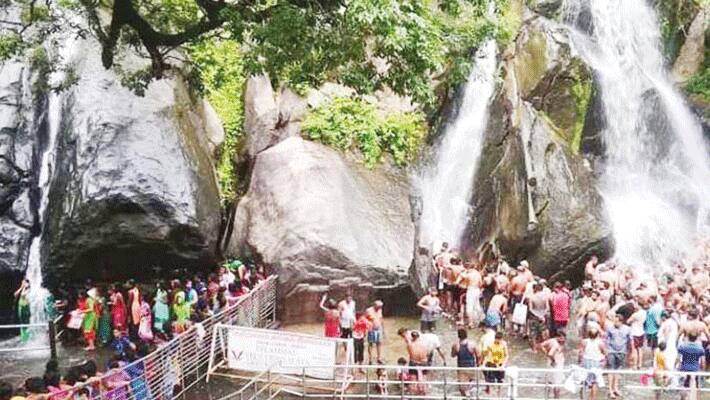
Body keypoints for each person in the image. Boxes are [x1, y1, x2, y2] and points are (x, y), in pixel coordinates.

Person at [606, 314, 631, 398]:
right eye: (614, 321)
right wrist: (606, 351)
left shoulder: (627, 329)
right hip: (611, 351)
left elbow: (630, 341)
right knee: (611, 370)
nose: (614, 323)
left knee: (618, 370)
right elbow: (607, 339)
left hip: (622, 352)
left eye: (616, 321)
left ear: (621, 322)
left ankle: (615, 388)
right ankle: (610, 389)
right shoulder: (610, 328)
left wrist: (631, 352)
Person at [578, 327, 606, 400]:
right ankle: (593, 398)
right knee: (594, 382)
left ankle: (582, 397)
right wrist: (604, 362)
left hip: (586, 362)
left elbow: (581, 353)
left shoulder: (584, 342)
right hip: (596, 363)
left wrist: (580, 362)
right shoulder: (600, 343)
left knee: (584, 379)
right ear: (597, 335)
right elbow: (605, 353)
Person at [677, 334, 705, 399]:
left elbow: (678, 358)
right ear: (696, 338)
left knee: (683, 385)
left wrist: (677, 365)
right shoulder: (700, 348)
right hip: (695, 369)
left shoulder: (682, 346)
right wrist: (702, 370)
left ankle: (683, 398)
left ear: (688, 338)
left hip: (684, 368)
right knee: (694, 385)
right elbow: (703, 361)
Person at [538, 332, 566, 399]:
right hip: (556, 365)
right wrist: (553, 360)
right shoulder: (556, 344)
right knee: (557, 384)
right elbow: (550, 354)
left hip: (549, 364)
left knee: (549, 382)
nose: (563, 340)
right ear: (558, 337)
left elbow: (541, 345)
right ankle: (556, 398)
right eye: (562, 338)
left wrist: (545, 352)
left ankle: (547, 397)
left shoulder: (551, 340)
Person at [451, 328, 477, 397]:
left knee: (463, 389)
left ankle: (466, 396)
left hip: (461, 369)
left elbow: (452, 355)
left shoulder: (456, 345)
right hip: (471, 368)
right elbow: (479, 355)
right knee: (469, 386)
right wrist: (478, 364)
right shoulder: (472, 344)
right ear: (466, 335)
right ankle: (469, 396)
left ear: (458, 336)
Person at [481, 331, 508, 397]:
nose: (498, 341)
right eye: (496, 340)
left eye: (499, 340)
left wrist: (503, 365)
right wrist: (483, 364)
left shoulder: (504, 344)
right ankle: (491, 395)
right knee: (491, 381)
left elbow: (506, 356)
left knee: (500, 381)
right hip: (492, 364)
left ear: (502, 339)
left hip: (500, 364)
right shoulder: (491, 344)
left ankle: (499, 395)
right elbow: (487, 356)